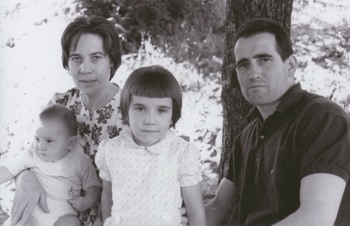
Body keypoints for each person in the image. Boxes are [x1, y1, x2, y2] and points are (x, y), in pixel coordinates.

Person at [204, 18, 350, 226]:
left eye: (264, 59)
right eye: (243, 64)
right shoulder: (246, 138)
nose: (253, 74)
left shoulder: (322, 119)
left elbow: (315, 219)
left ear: (290, 65)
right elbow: (217, 209)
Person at [11, 16, 124, 226]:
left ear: (112, 60)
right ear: (67, 62)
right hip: (54, 216)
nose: (85, 68)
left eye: (96, 57)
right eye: (76, 58)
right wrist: (26, 179)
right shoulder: (60, 102)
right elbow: (33, 156)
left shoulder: (131, 111)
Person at [95, 65, 207, 226]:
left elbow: (196, 211)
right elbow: (107, 195)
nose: (150, 120)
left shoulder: (181, 153)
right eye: (140, 108)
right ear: (126, 112)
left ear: (172, 115)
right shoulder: (111, 150)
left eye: (161, 111)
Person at [0, 104, 101, 226]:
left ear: (70, 143)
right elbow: (7, 171)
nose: (40, 146)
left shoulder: (81, 161)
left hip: (62, 216)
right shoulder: (31, 156)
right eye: (37, 139)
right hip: (31, 214)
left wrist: (87, 201)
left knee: (72, 222)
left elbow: (93, 187)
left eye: (48, 141)